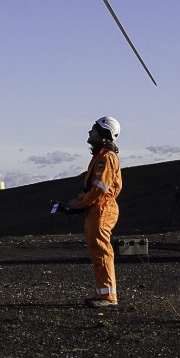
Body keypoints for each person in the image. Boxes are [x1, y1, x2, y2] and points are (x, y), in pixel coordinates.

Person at [66, 116, 122, 308]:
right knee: (97, 251)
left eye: (94, 129)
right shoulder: (100, 157)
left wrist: (79, 204)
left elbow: (99, 189)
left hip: (102, 209)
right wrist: (80, 202)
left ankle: (108, 296)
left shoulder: (106, 158)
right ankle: (103, 293)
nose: (90, 132)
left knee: (101, 251)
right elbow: (94, 188)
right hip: (97, 209)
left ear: (104, 134)